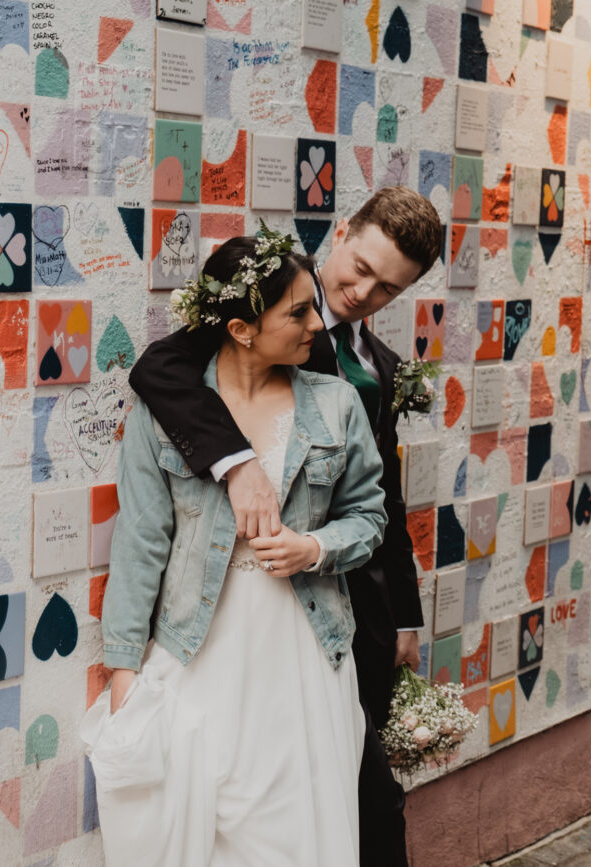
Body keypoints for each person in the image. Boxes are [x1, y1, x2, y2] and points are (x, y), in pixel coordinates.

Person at [127, 186, 443, 867]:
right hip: (245, 611)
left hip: (348, 606)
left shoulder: (377, 371)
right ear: (344, 230)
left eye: (387, 289)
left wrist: (406, 616)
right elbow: (159, 366)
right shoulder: (263, 302)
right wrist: (237, 463)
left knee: (358, 797)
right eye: (360, 268)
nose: (362, 293)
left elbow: (378, 501)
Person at [82, 228, 388, 866]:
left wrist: (313, 548)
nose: (316, 326)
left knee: (290, 839)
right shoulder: (167, 414)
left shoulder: (335, 405)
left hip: (303, 656)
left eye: (314, 307)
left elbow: (369, 517)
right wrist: (123, 672)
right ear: (243, 329)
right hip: (196, 655)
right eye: (298, 313)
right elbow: (141, 542)